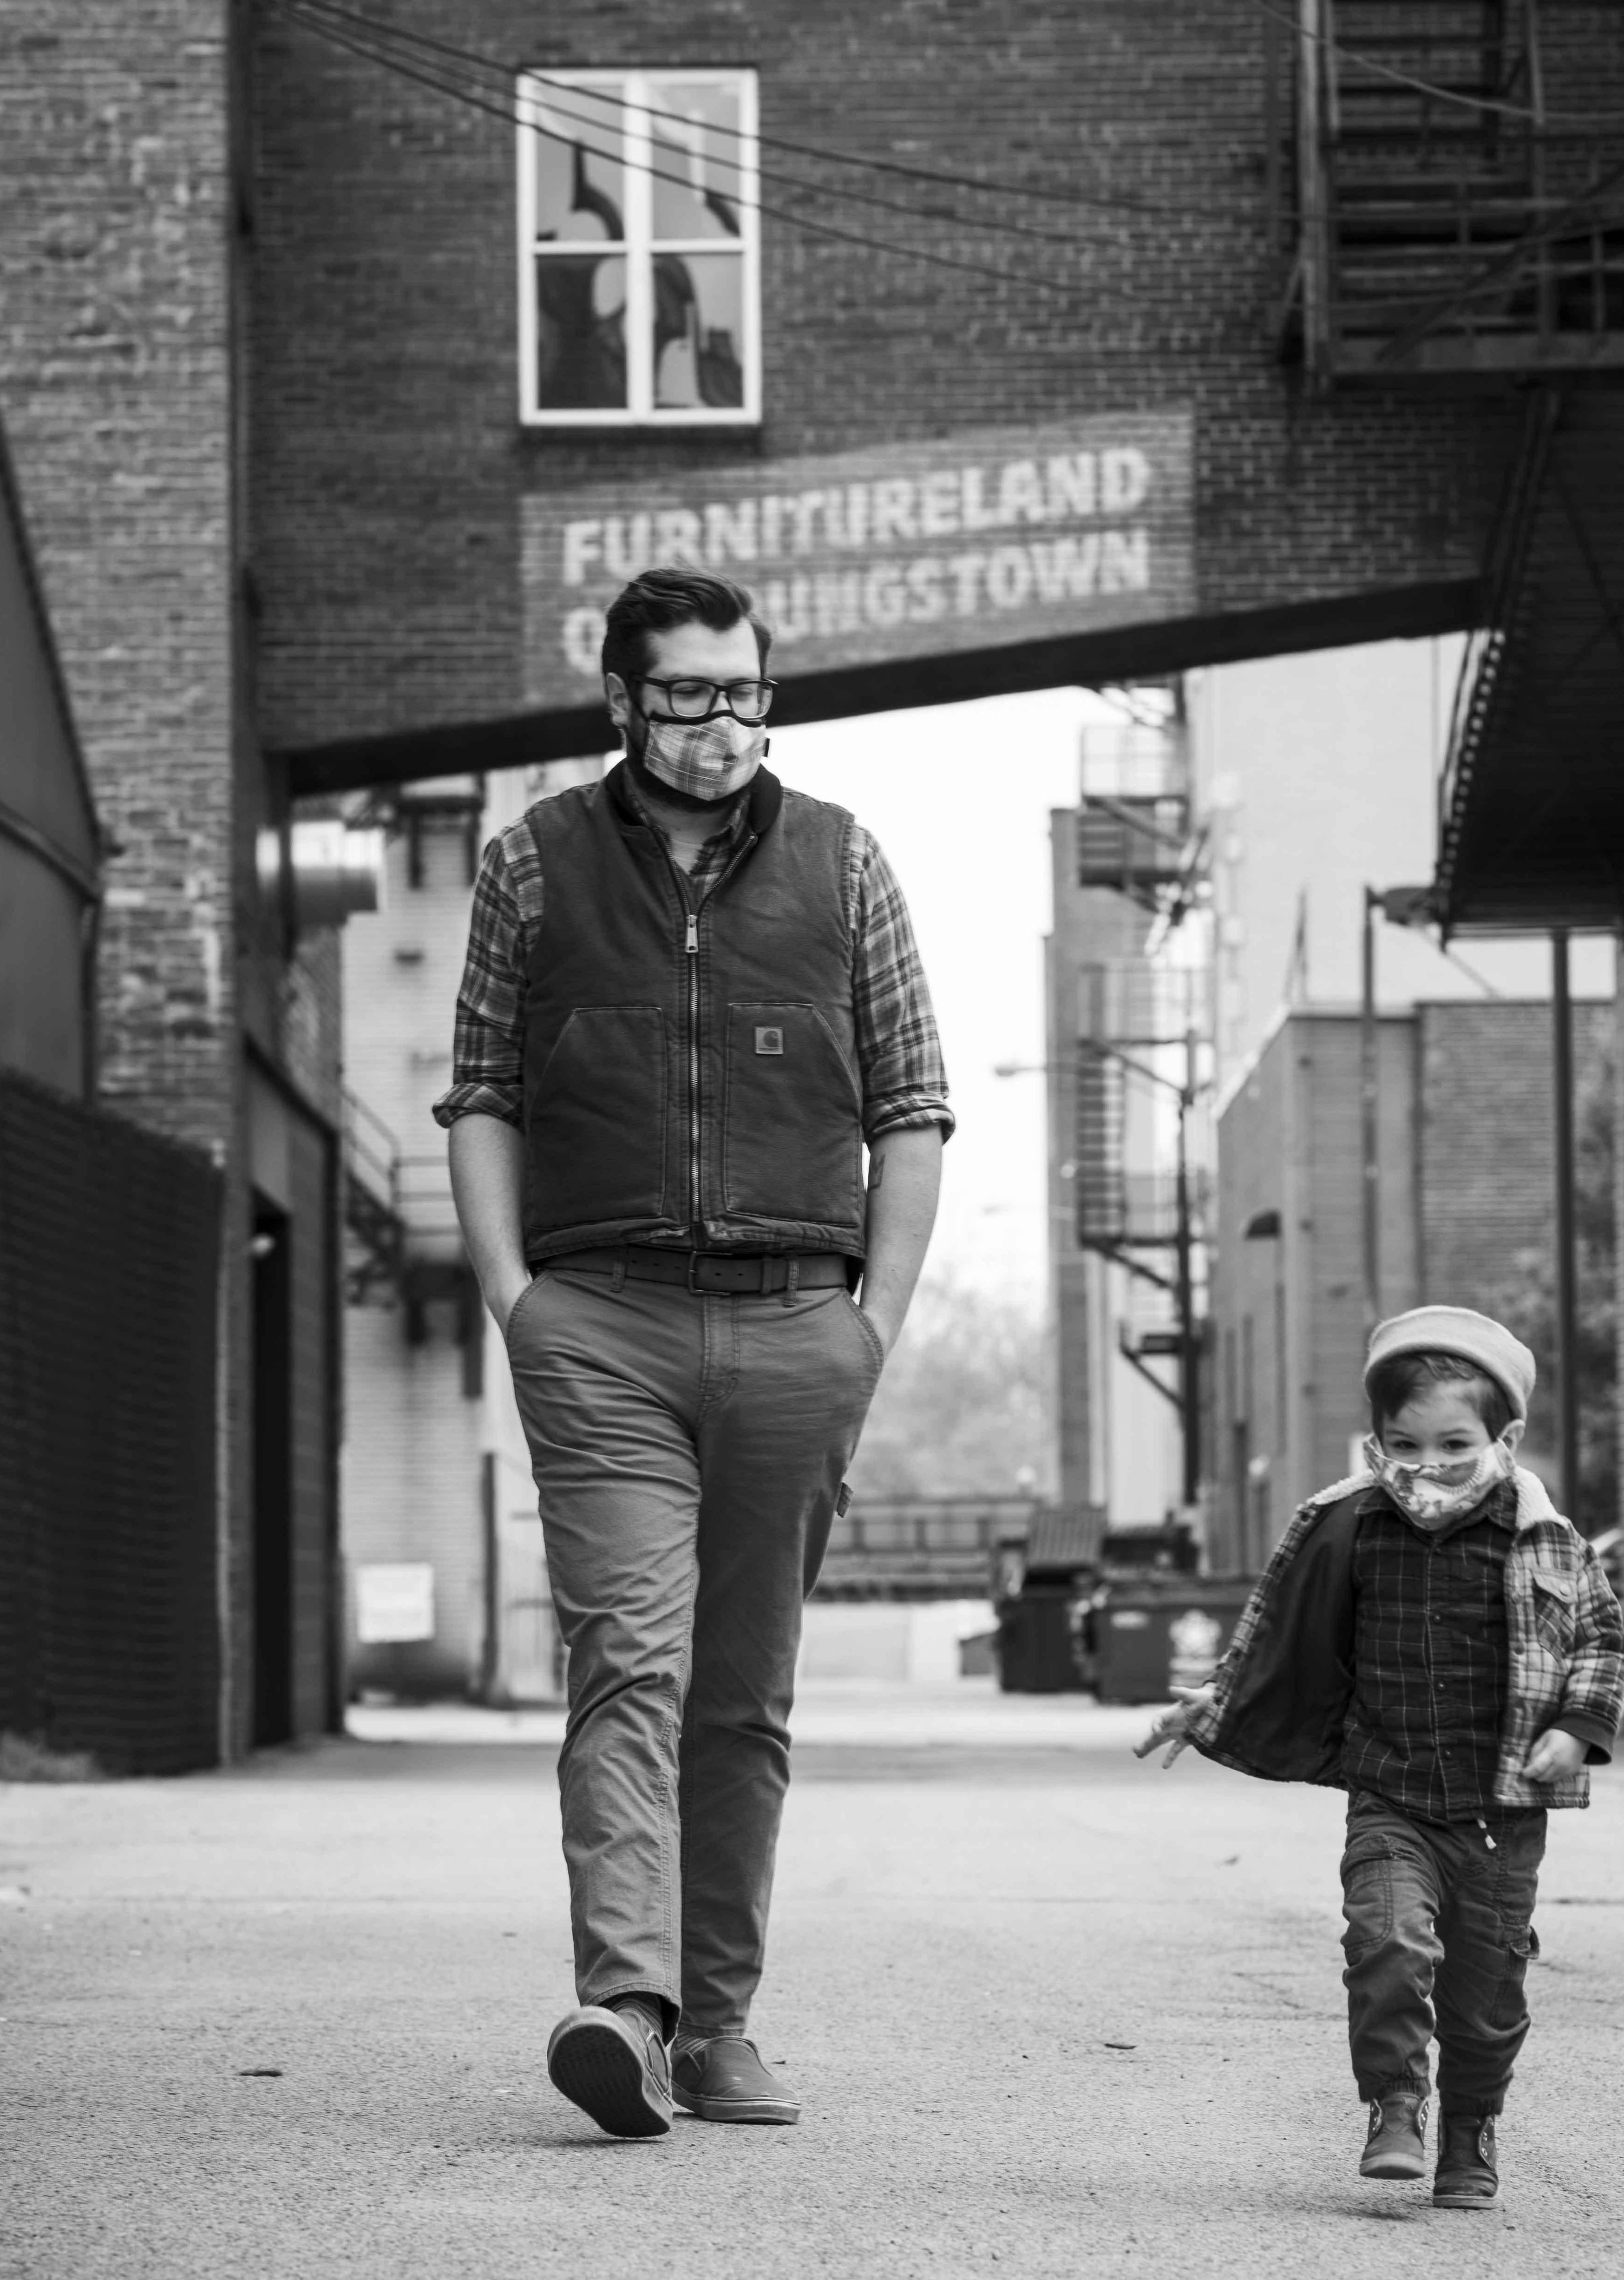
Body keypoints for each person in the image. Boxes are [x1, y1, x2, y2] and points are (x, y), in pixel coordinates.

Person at [438, 566, 950, 2138]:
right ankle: (627, 2007)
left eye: (743, 691)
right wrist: (515, 1296)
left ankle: (721, 2024)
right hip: (600, 1324)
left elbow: (910, 1108)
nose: (719, 723)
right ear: (622, 701)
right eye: (685, 694)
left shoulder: (844, 860)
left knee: (739, 1695)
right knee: (628, 1666)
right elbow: (480, 1094)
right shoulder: (530, 861)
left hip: (802, 1320)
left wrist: (871, 1328)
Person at [1138, 1305, 1624, 2209]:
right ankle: (1396, 2104)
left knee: (1485, 2001)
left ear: (1505, 1437)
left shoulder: (1543, 1537)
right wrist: (1221, 1697)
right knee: (1387, 1944)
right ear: (1376, 1442)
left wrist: (1577, 1726)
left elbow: (1600, 1639)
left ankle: (1471, 2133)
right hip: (1390, 1796)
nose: (1430, 1467)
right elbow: (1281, 1632)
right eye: (1406, 1445)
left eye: (1454, 1443)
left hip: (1499, 1813)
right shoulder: (1349, 1529)